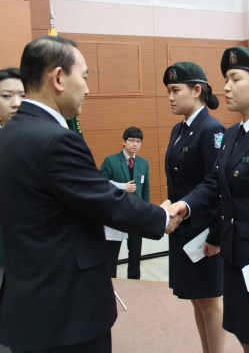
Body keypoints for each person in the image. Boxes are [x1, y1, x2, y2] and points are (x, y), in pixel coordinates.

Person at [0, 36, 182, 353]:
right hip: (68, 311)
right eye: (83, 77)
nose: (87, 88)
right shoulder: (56, 140)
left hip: (30, 303)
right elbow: (103, 199)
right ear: (58, 78)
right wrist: (161, 216)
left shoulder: (11, 134)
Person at [169, 47, 249, 353]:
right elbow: (214, 183)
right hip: (234, 257)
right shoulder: (231, 136)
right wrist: (185, 205)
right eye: (226, 79)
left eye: (235, 78)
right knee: (245, 337)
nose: (226, 87)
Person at [163, 62, 225, 353]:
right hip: (184, 230)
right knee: (198, 300)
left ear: (197, 90)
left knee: (210, 301)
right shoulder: (179, 129)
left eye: (176, 90)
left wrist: (216, 235)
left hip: (204, 233)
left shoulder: (212, 129)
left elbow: (218, 185)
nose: (170, 97)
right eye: (168, 91)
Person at [100, 127, 150, 279]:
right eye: (132, 140)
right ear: (124, 142)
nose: (135, 144)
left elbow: (145, 190)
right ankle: (110, 285)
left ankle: (134, 285)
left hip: (136, 215)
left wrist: (146, 212)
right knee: (111, 256)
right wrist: (123, 187)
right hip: (117, 214)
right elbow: (101, 184)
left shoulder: (143, 163)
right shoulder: (110, 161)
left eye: (138, 141)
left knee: (135, 255)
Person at [0, 67, 23, 353]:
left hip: (33, 254)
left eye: (22, 95)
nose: (16, 103)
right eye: (7, 96)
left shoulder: (44, 140)